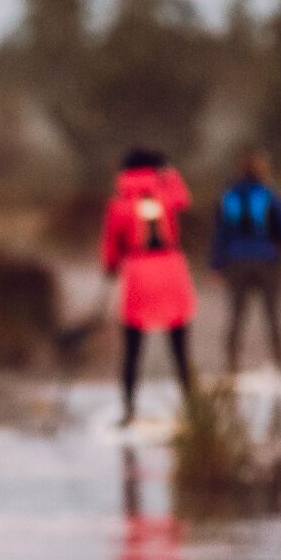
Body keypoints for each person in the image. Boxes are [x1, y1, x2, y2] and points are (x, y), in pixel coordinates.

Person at [100, 148, 197, 425]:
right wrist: (170, 173)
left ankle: (129, 410)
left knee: (132, 349)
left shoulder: (118, 205)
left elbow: (110, 249)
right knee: (179, 348)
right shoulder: (166, 196)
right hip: (171, 272)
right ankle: (193, 410)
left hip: (138, 277)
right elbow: (184, 198)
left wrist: (110, 267)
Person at [210, 148, 281, 374]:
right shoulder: (270, 196)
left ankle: (231, 366)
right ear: (262, 171)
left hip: (236, 262)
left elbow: (220, 235)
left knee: (236, 316)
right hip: (267, 262)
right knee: (273, 316)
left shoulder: (227, 197)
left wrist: (216, 265)